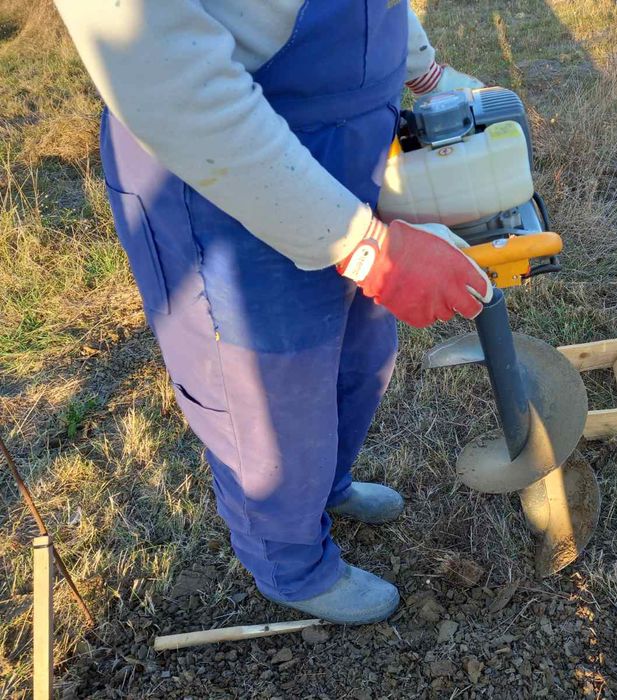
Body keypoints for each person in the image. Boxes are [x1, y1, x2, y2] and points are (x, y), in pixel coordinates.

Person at [54, 1, 491, 624]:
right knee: (269, 404)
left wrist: (423, 70)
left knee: (360, 355)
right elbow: (166, 73)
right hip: (225, 164)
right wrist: (366, 249)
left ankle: (327, 490)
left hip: (347, 144)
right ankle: (291, 566)